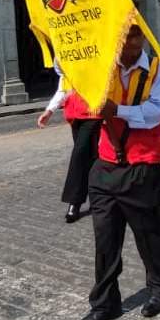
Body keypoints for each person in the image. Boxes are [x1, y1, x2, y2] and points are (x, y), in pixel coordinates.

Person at [75, 25, 160, 320]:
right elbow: (65, 72)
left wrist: (117, 109)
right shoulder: (101, 65)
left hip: (141, 164)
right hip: (104, 165)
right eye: (120, 39)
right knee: (105, 239)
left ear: (141, 38)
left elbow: (155, 112)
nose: (126, 46)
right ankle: (105, 303)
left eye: (132, 39)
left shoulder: (159, 70)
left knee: (150, 232)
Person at [38, 61, 102, 223]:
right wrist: (49, 110)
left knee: (80, 154)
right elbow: (62, 84)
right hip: (74, 115)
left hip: (93, 112)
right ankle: (99, 196)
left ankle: (75, 201)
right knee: (92, 156)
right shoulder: (64, 55)